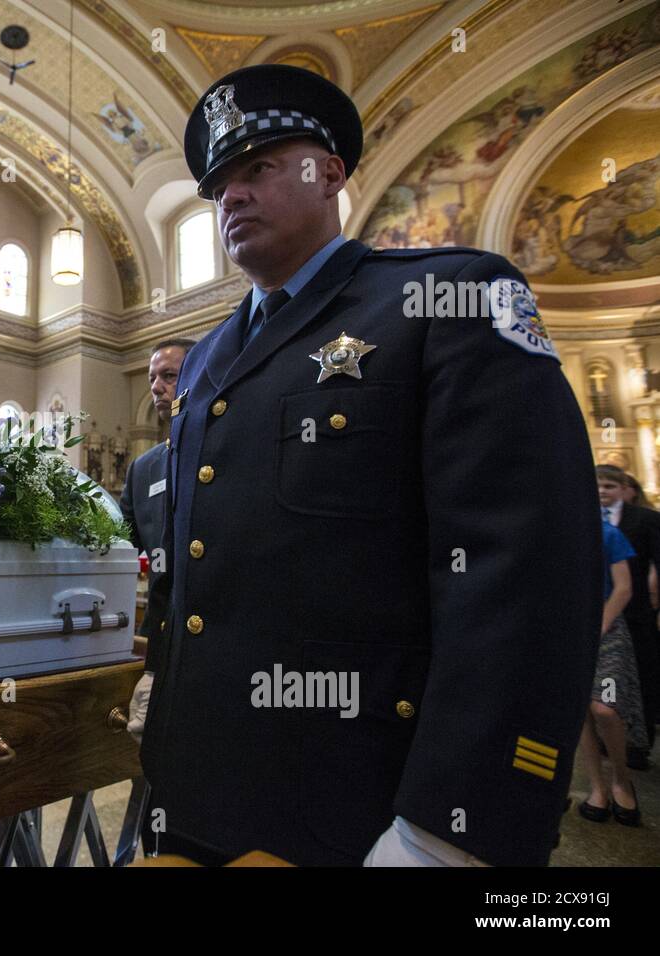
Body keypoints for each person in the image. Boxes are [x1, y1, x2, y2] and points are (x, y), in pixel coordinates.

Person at [140, 64, 600, 867]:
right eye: (219, 187)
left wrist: (444, 833)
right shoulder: (208, 357)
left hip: (364, 810)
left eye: (258, 169)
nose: (232, 198)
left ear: (331, 174)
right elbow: (197, 580)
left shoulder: (449, 298)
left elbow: (527, 572)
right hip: (200, 793)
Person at [121, 339, 192, 742]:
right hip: (161, 639)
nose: (157, 387)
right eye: (152, 378)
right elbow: (120, 547)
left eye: (168, 375)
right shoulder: (143, 468)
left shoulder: (224, 451)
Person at [577, 517, 643, 826]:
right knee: (580, 713)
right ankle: (597, 787)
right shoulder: (558, 531)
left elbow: (624, 588)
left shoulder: (609, 533)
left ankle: (621, 778)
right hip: (569, 629)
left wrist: (599, 625)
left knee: (604, 707)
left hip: (608, 630)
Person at [597, 464, 659, 768]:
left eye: (609, 486)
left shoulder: (644, 519)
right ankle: (606, 743)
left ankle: (638, 744)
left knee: (642, 679)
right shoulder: (587, 523)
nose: (602, 491)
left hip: (634, 613)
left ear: (625, 489)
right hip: (599, 616)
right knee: (602, 691)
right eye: (598, 486)